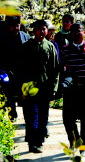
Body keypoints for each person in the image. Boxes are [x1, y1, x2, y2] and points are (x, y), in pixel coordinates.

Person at [20, 20, 59, 153]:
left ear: (47, 31)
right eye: (39, 29)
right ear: (33, 30)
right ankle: (32, 142)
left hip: (45, 85)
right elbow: (20, 67)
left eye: (44, 29)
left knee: (43, 115)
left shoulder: (50, 46)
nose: (42, 32)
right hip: (29, 85)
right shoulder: (26, 46)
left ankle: (39, 141)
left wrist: (54, 87)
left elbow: (55, 69)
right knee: (31, 115)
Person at [0, 15, 30, 120]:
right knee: (10, 94)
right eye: (13, 26)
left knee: (24, 95)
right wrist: (2, 71)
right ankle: (12, 114)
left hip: (23, 70)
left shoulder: (25, 36)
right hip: (8, 70)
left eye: (18, 25)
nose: (16, 28)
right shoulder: (3, 38)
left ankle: (28, 117)